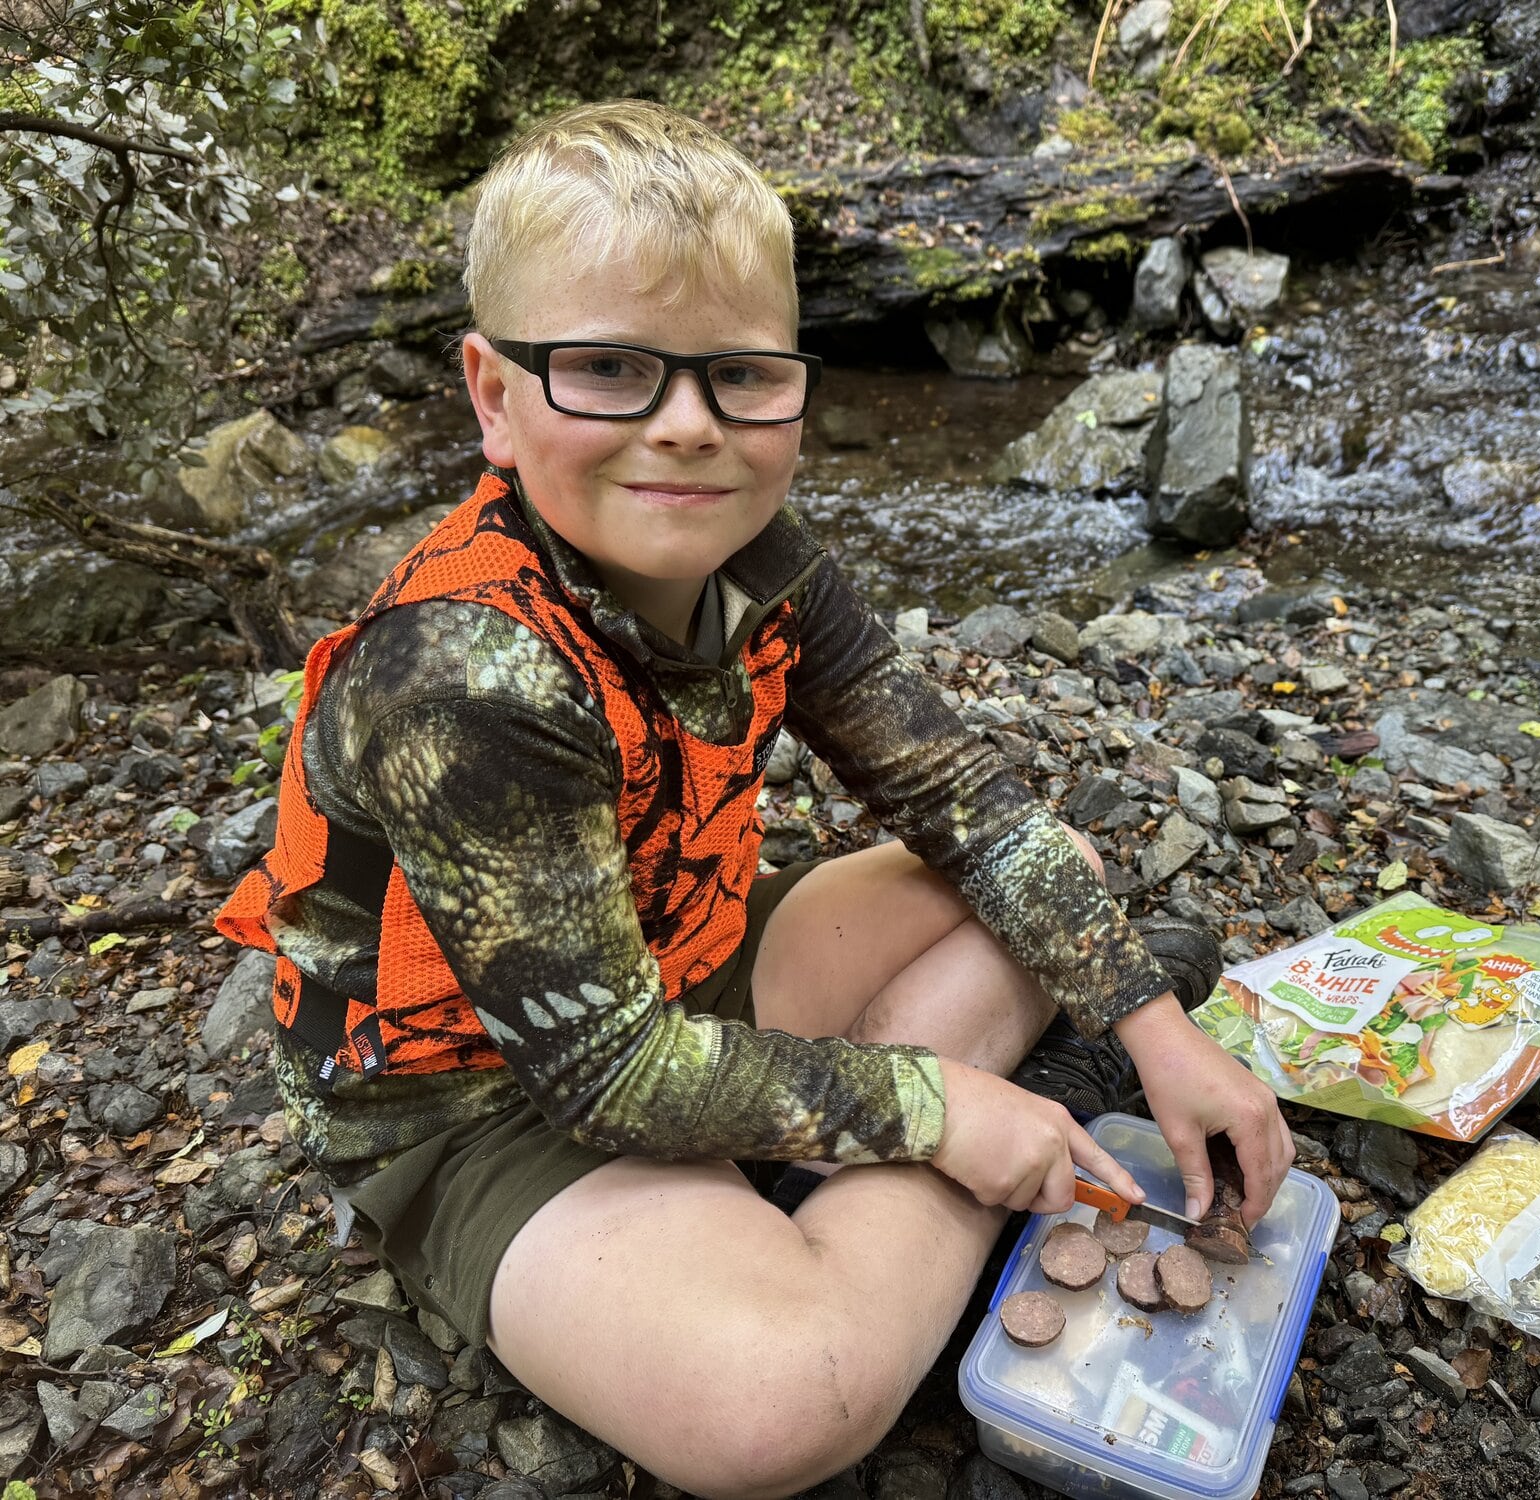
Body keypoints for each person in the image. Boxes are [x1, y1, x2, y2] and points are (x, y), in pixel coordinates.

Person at [217, 99, 1292, 1499]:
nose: (685, 427)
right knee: (782, 1404)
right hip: (474, 1092)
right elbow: (606, 1074)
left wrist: (1157, 1030)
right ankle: (948, 1140)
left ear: (793, 381)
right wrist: (947, 1112)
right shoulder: (465, 678)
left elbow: (962, 795)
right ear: (492, 395)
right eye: (607, 369)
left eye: (741, 377)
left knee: (1044, 873)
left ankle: (900, 1155)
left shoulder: (771, 560)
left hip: (671, 952)